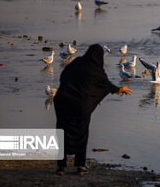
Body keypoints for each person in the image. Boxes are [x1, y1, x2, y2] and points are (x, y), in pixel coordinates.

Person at [54, 44, 132, 175]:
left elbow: (64, 76)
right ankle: (80, 166)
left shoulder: (77, 62)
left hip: (64, 102)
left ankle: (61, 167)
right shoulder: (96, 70)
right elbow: (105, 84)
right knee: (82, 133)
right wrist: (119, 89)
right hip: (80, 106)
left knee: (62, 132)